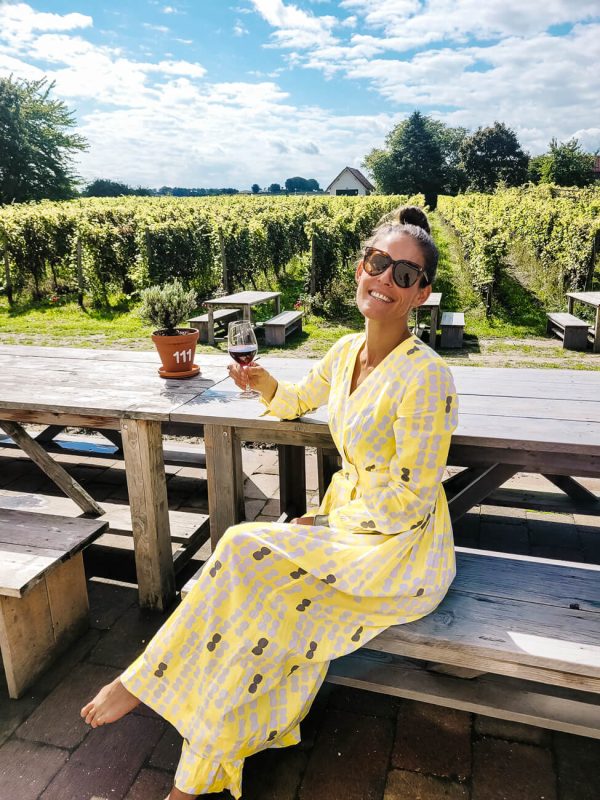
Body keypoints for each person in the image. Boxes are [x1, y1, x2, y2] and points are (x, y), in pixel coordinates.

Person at [81, 206, 458, 800]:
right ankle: (194, 777)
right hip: (352, 533)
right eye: (376, 263)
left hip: (400, 552)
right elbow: (296, 399)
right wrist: (262, 385)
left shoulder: (427, 378)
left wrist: (325, 518)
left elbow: (410, 502)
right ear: (360, 269)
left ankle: (143, 682)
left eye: (403, 275)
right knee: (251, 625)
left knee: (242, 549)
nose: (385, 278)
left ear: (421, 293)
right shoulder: (343, 354)